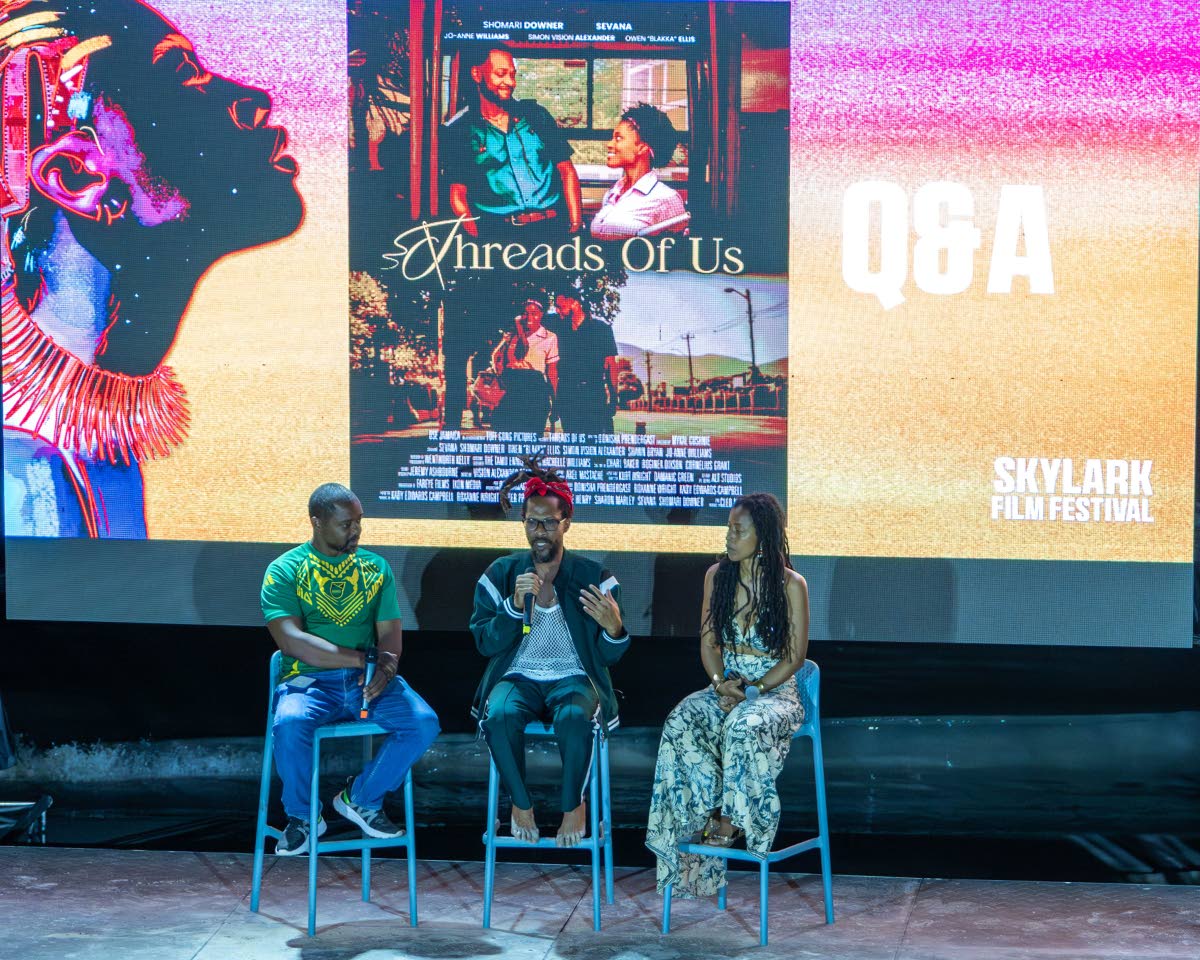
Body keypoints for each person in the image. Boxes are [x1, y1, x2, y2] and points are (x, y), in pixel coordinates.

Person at [2, 0, 303, 537]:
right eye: (182, 75)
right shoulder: (24, 477)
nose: (253, 100)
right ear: (76, 177)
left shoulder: (82, 448)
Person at [261, 483, 440, 855]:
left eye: (359, 522)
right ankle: (304, 817)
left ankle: (361, 798)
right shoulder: (285, 570)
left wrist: (386, 667)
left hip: (368, 681)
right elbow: (292, 642)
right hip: (309, 681)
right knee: (290, 724)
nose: (356, 531)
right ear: (317, 522)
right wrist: (362, 659)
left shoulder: (375, 569)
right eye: (346, 524)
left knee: (423, 722)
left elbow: (390, 633)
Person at [646, 492, 809, 897]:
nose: (730, 536)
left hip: (774, 691)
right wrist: (721, 684)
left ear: (764, 535)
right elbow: (708, 644)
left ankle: (731, 820)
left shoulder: (791, 585)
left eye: (739, 530)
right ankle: (694, 816)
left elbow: (794, 658)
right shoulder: (716, 576)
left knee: (742, 724)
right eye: (729, 528)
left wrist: (754, 690)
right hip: (727, 685)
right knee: (682, 718)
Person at [470, 455, 631, 845]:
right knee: (500, 715)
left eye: (547, 522)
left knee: (575, 718)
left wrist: (615, 629)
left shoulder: (595, 578)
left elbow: (607, 658)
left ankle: (573, 805)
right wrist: (511, 607)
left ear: (566, 524)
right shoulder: (502, 573)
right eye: (531, 521)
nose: (538, 531)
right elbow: (485, 643)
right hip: (518, 676)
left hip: (574, 677)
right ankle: (520, 804)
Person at [441, 48, 583, 241]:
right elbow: (457, 194)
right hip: (499, 235)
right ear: (477, 74)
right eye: (500, 74)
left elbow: (566, 170)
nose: (509, 82)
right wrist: (476, 238)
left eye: (512, 75)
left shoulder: (536, 116)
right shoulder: (461, 130)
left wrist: (576, 224)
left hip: (553, 230)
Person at [590, 103, 689, 241]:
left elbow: (677, 251)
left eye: (618, 138)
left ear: (643, 147)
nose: (610, 144)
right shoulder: (613, 193)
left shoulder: (666, 199)